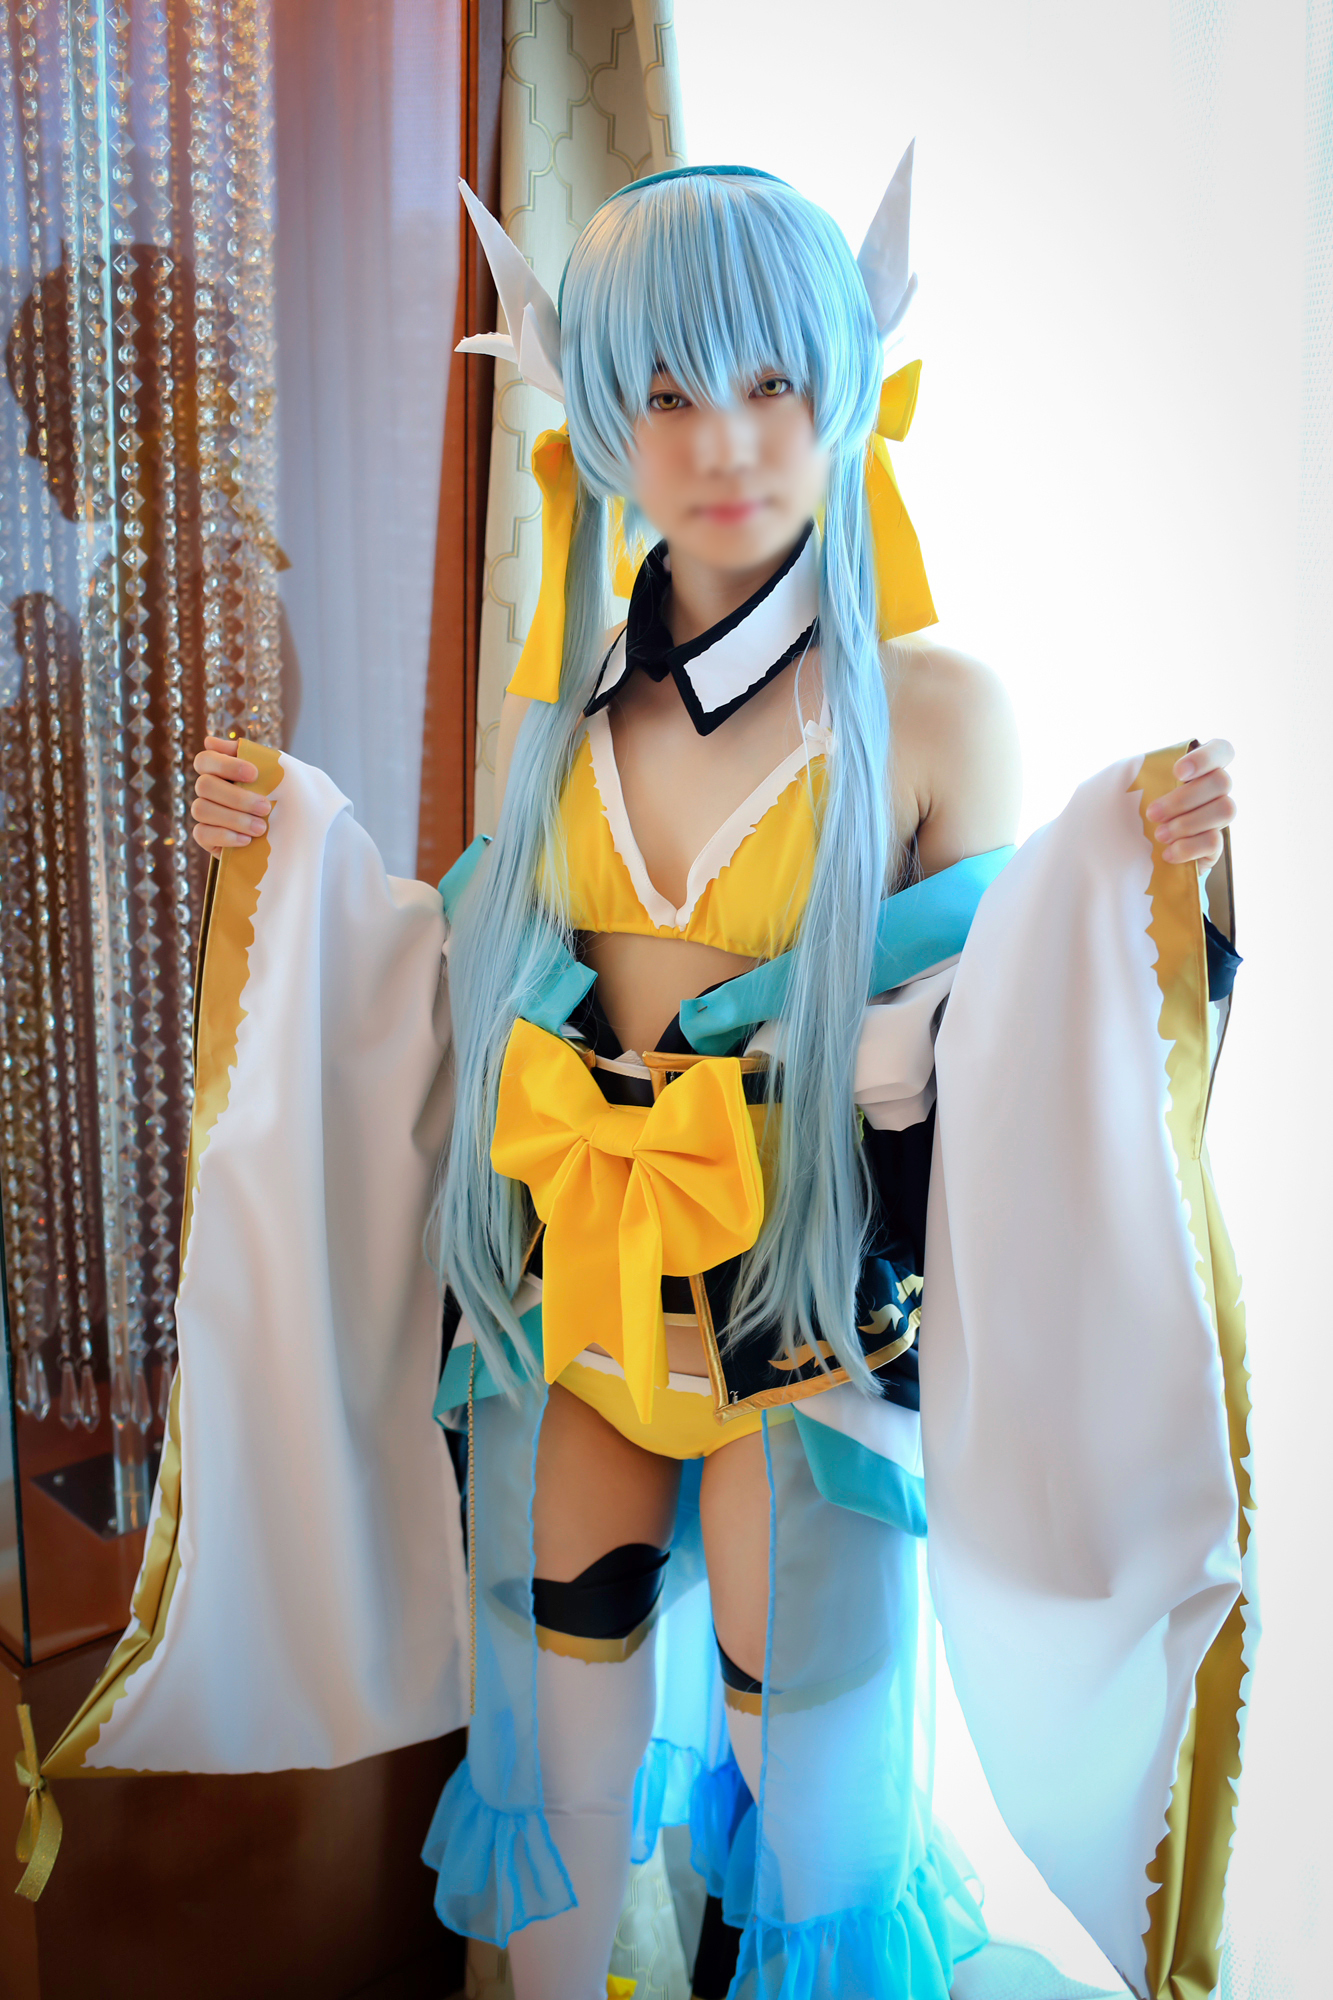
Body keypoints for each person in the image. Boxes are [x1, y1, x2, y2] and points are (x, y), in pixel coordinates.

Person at [190, 165, 1240, 2000]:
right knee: (552, 1758)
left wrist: (1144, 885)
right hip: (572, 1307)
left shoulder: (931, 708)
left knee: (815, 1790)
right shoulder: (565, 709)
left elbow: (996, 1041)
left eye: (771, 381)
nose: (726, 441)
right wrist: (289, 852)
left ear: (848, 387)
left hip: (800, 1319)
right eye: (666, 392)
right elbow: (453, 981)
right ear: (595, 414)